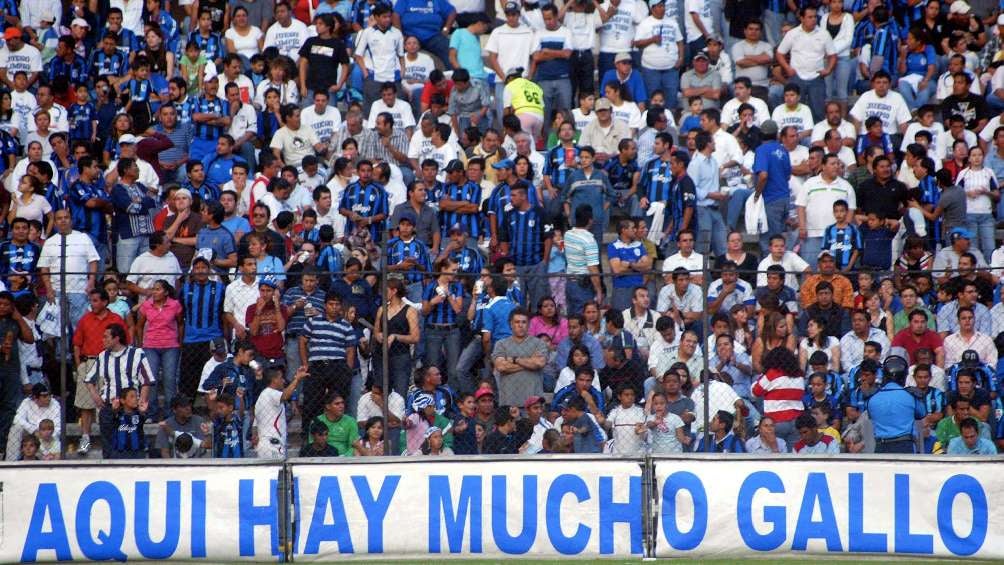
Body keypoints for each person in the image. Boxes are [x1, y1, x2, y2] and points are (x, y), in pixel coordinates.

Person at [84, 324, 154, 459]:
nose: (102, 340)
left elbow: (146, 380)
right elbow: (89, 379)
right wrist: (95, 396)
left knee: (132, 443)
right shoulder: (102, 356)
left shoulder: (137, 354)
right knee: (108, 446)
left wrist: (140, 403)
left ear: (116, 339)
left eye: (106, 337)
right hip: (109, 408)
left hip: (130, 409)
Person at [867, 355, 926, 453]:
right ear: (903, 376)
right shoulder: (910, 396)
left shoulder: (873, 397)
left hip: (881, 446)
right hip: (905, 445)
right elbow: (921, 413)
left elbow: (870, 416)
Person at [492, 308, 548, 407]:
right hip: (508, 404)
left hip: (534, 406)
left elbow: (539, 363)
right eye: (517, 322)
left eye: (524, 322)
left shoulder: (539, 343)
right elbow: (501, 367)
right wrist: (529, 363)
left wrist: (514, 360)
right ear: (511, 324)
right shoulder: (501, 344)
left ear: (529, 324)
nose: (520, 325)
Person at [254, 366, 308, 458]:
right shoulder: (271, 393)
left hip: (266, 444)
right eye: (281, 378)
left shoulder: (264, 395)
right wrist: (297, 379)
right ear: (274, 380)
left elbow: (255, 424)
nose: (283, 381)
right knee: (276, 471)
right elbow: (285, 395)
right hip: (272, 445)